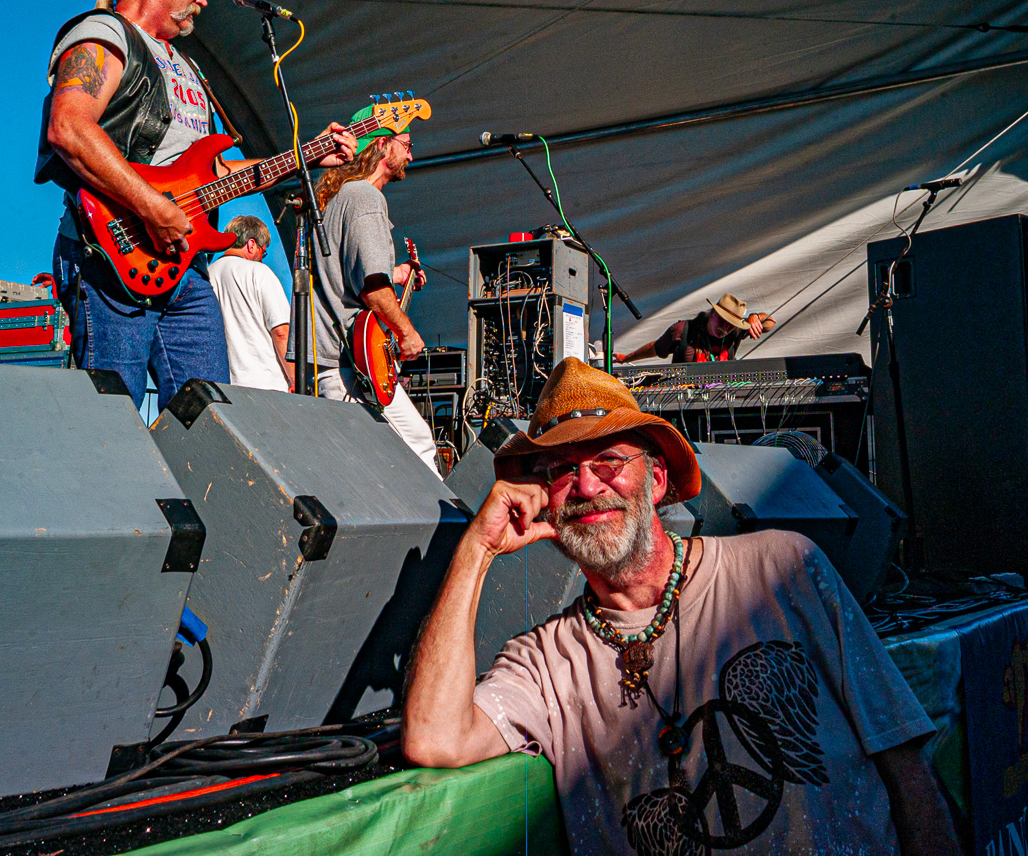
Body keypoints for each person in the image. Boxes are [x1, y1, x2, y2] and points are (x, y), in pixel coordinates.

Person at [403, 357, 960, 855]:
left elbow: (903, 762)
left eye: (609, 460)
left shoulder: (784, 567)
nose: (587, 485)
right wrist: (476, 550)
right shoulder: (547, 660)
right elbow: (434, 738)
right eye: (561, 470)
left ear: (658, 477)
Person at [35, 0, 353, 409]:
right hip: (112, 252)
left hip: (187, 266)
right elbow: (70, 128)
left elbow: (217, 175)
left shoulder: (187, 67)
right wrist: (152, 208)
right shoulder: (103, 34)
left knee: (210, 416)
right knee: (112, 414)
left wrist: (306, 156)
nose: (203, 1)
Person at [300, 124, 438, 469]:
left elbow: (347, 274)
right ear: (381, 145)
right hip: (350, 362)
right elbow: (373, 288)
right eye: (406, 145)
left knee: (359, 466)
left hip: (329, 358)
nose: (411, 155)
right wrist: (407, 333)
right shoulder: (367, 197)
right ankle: (445, 526)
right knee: (417, 445)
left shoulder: (338, 197)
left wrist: (399, 274)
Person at [210, 213, 293, 392]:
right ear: (251, 244)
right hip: (267, 386)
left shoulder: (206, 276)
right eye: (263, 251)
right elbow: (281, 332)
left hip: (224, 388)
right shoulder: (259, 272)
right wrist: (295, 380)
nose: (262, 258)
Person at [619, 293, 774, 364]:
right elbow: (656, 348)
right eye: (722, 320)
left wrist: (756, 318)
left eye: (731, 324)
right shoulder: (683, 330)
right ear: (712, 313)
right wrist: (627, 358)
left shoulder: (736, 331)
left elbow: (771, 323)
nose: (725, 327)